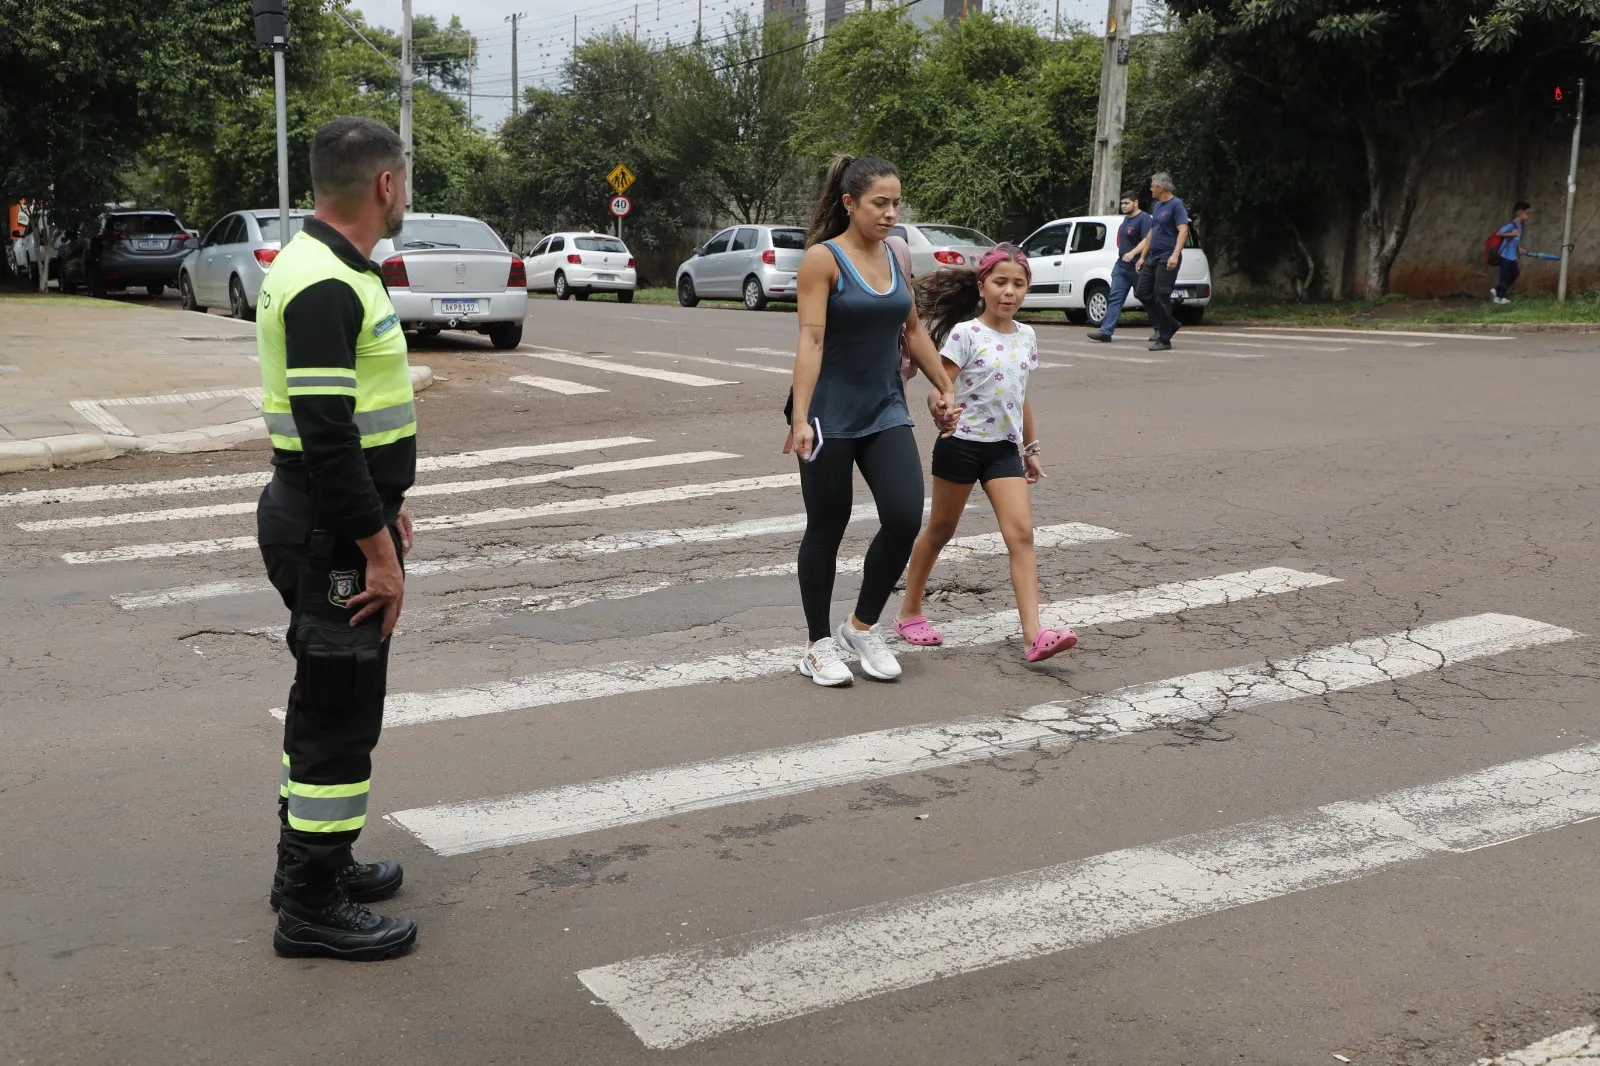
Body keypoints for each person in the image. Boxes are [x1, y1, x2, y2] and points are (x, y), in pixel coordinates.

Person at [256, 116, 419, 961]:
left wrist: (388, 504)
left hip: (337, 517)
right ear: (384, 184)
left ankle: (313, 867)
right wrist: (379, 555)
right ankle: (312, 905)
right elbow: (326, 435)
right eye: (405, 181)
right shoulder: (326, 281)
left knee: (327, 698)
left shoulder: (332, 265)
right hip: (326, 530)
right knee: (339, 710)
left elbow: (357, 422)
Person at [789, 154, 959, 687]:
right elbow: (811, 339)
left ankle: (861, 626)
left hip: (885, 408)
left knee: (906, 516)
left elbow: (911, 332)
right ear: (849, 204)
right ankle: (817, 645)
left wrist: (945, 385)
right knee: (828, 525)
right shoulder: (823, 260)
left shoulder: (894, 255)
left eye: (895, 203)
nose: (890, 213)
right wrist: (799, 417)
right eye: (879, 204)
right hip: (828, 414)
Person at [893, 245, 1077, 663]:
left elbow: (1021, 394)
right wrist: (940, 409)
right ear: (983, 286)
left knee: (1022, 534)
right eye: (1000, 283)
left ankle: (1034, 636)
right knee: (940, 530)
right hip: (961, 446)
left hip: (1002, 452)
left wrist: (1030, 447)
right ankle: (909, 612)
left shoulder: (1027, 336)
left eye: (1018, 284)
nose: (1009, 292)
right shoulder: (966, 334)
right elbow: (942, 388)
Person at [1131, 172, 1190, 351]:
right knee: (1142, 292)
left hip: (1167, 256)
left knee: (1162, 295)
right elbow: (1151, 233)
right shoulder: (1157, 207)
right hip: (1153, 256)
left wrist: (1175, 254)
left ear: (1161, 187)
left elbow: (1184, 230)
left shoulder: (1176, 205)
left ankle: (1164, 339)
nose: (1150, 189)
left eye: (1152, 186)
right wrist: (1142, 256)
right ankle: (1170, 323)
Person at [1087, 191, 1151, 343]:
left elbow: (1148, 240)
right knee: (1115, 298)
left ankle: (1162, 329)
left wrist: (1133, 253)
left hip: (1138, 266)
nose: (1123, 206)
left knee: (1146, 297)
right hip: (1121, 266)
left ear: (1136, 202)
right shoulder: (1126, 220)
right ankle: (1105, 331)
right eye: (1122, 203)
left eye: (1126, 203)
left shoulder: (1144, 219)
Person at [1491, 201, 1532, 304]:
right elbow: (1498, 233)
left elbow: (1515, 240)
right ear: (1519, 213)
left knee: (1515, 273)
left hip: (1512, 256)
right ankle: (1499, 297)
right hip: (1505, 255)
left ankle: (1497, 290)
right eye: (1527, 213)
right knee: (1504, 277)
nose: (1528, 215)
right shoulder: (1512, 224)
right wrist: (1511, 233)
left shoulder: (1520, 226)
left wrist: (1519, 248)